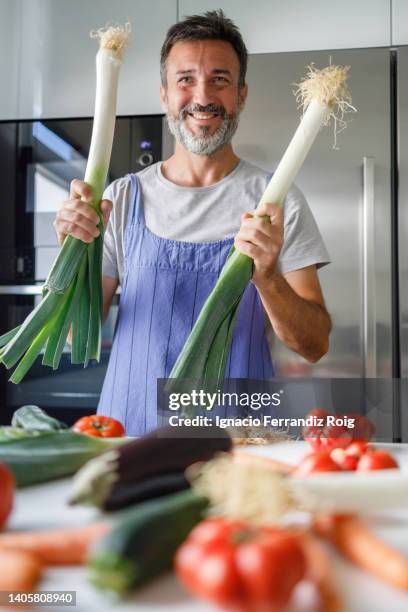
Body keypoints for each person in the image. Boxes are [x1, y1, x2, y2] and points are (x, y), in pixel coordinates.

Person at [54, 10, 332, 435]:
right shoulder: (121, 199)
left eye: (219, 79)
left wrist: (269, 279)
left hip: (240, 443)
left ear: (241, 95)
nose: (202, 97)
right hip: (129, 432)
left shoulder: (279, 202)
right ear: (164, 95)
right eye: (185, 79)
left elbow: (313, 346)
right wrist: (72, 258)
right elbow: (75, 339)